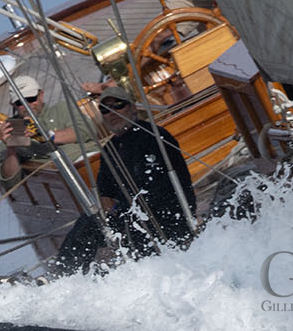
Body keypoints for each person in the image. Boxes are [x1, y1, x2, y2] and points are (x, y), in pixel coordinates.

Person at [52, 86, 198, 273]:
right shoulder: (111, 148)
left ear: (132, 108)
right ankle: (66, 276)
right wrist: (113, 210)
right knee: (88, 223)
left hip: (168, 217)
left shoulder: (154, 137)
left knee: (130, 225)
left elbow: (159, 190)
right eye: (105, 109)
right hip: (130, 216)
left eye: (118, 106)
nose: (112, 113)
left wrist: (120, 211)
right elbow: (104, 194)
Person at [0, 75, 94, 192]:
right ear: (14, 105)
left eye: (31, 99)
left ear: (41, 95)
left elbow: (86, 130)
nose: (27, 105)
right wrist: (11, 148)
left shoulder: (61, 109)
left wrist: (46, 135)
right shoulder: (13, 130)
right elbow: (8, 181)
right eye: (20, 102)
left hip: (89, 161)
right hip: (57, 182)